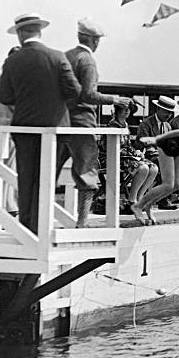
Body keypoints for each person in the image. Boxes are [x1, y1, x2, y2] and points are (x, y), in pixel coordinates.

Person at [0, 13, 81, 234]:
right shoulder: (57, 57)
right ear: (40, 31)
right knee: (47, 180)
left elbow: (6, 97)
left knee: (26, 181)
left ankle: (27, 228)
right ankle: (42, 227)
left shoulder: (12, 61)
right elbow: (74, 90)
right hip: (56, 128)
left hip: (25, 129)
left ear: (19, 34)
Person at [56, 18, 132, 227]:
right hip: (82, 123)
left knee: (50, 171)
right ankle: (82, 222)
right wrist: (114, 100)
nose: (98, 43)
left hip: (61, 121)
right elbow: (89, 94)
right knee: (87, 174)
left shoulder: (65, 57)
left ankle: (36, 220)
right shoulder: (86, 61)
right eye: (97, 39)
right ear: (92, 40)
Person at [105, 103, 158, 211]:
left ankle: (140, 198)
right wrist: (132, 154)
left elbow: (128, 145)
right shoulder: (113, 125)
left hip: (126, 156)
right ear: (118, 111)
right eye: (124, 109)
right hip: (113, 157)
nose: (127, 111)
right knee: (143, 168)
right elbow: (112, 147)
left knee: (153, 168)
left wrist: (136, 152)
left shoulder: (125, 124)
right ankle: (132, 200)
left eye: (128, 109)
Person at [0, 46, 21, 215]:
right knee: (6, 168)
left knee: (3, 168)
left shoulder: (0, 73)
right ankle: (7, 206)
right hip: (5, 124)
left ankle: (6, 205)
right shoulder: (5, 76)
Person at [135, 95, 178, 210]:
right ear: (157, 109)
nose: (168, 115)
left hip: (165, 155)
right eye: (166, 112)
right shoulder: (146, 123)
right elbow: (143, 142)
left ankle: (166, 194)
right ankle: (162, 199)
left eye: (170, 113)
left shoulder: (168, 126)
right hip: (150, 155)